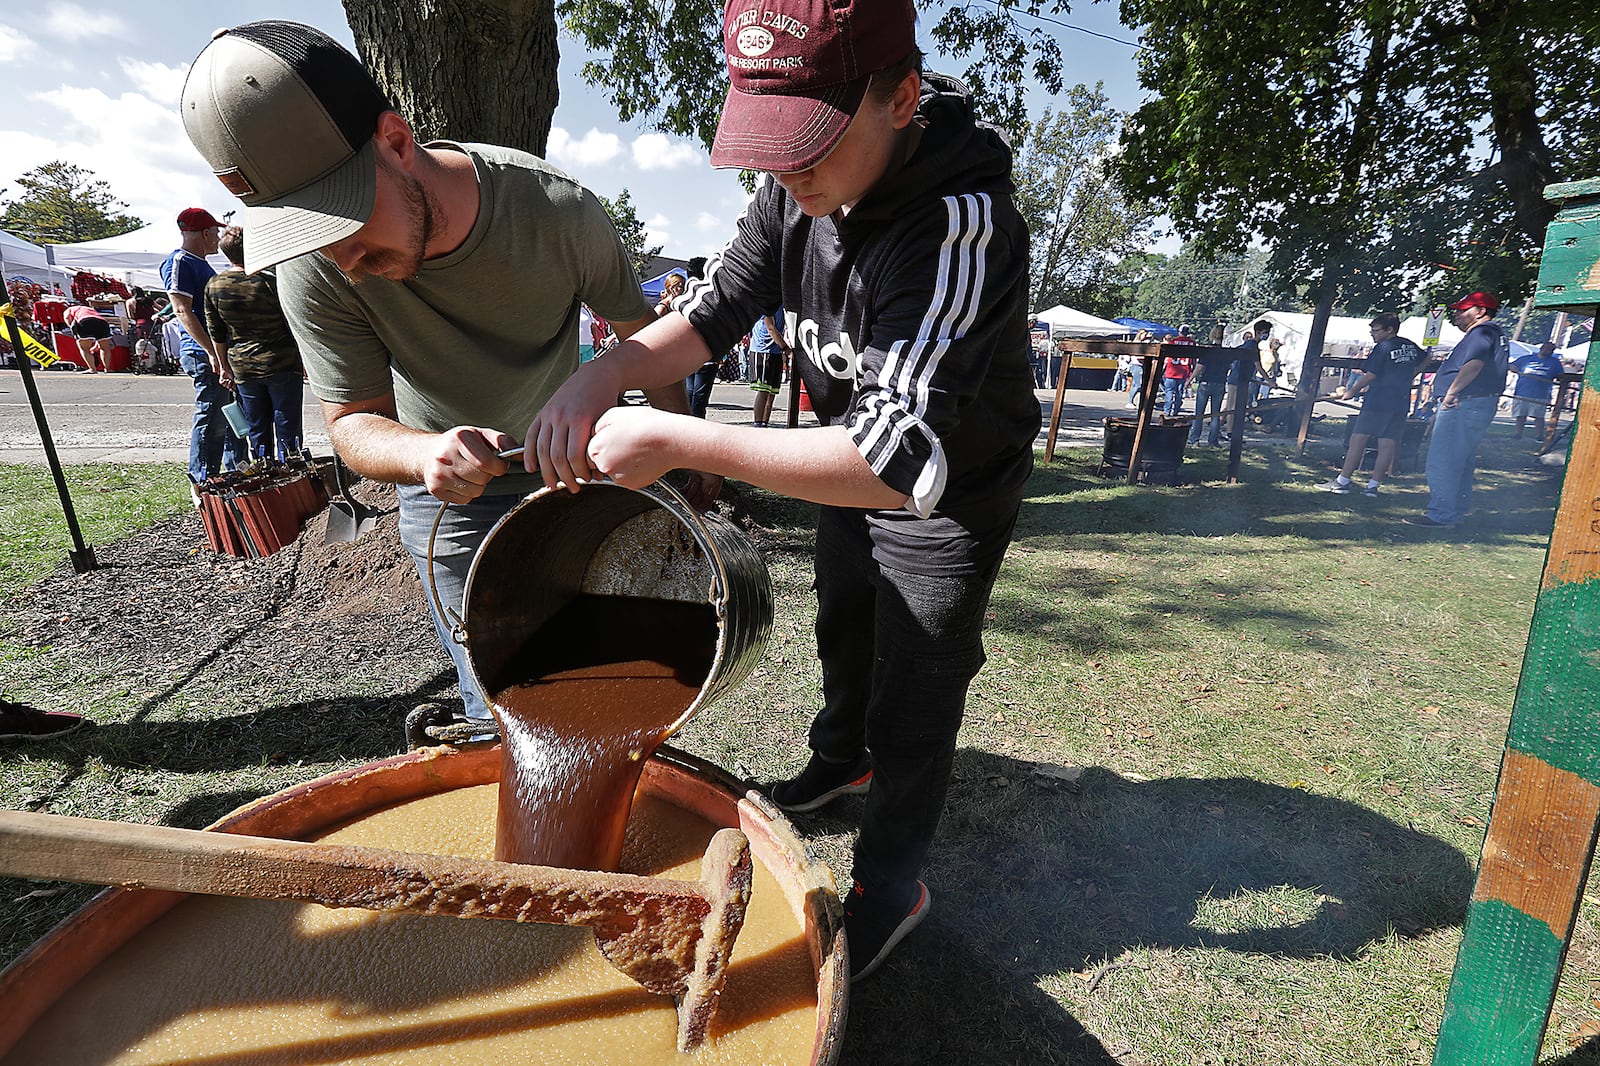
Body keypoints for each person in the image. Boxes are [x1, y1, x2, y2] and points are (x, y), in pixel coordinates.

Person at [524, 0, 1039, 981]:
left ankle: (893, 881)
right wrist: (600, 373)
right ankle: (840, 754)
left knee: (917, 684)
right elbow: (715, 311)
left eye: (807, 146)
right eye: (767, 146)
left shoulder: (959, 224)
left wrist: (674, 434)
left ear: (900, 98)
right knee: (844, 616)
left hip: (945, 488)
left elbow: (893, 459)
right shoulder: (788, 195)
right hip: (845, 452)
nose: (783, 173)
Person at [178, 20, 694, 731]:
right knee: (503, 714)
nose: (344, 262)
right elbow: (352, 423)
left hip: (584, 476)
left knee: (615, 689)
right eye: (310, 239)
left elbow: (648, 342)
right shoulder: (315, 267)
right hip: (452, 502)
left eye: (346, 221)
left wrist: (686, 466)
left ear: (396, 142)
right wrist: (426, 454)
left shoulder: (556, 211)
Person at [1403, 292, 1509, 528]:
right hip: (1475, 403)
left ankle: (1441, 515)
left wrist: (1451, 393)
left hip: (1464, 402)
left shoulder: (1482, 332)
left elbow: (1474, 363)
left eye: (1463, 310)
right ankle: (1454, 512)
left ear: (1480, 311)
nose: (1457, 314)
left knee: (1444, 459)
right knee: (1461, 460)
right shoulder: (1494, 333)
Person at [203, 226, 306, 460]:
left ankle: (264, 473)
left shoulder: (214, 286)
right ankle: (291, 478)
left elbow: (216, 333)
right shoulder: (270, 281)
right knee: (287, 428)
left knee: (256, 429)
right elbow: (293, 321)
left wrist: (223, 368)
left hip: (243, 367)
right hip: (282, 363)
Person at [162, 206, 240, 484]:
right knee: (212, 413)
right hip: (204, 353)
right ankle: (204, 478)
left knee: (231, 413)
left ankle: (236, 470)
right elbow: (182, 310)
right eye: (216, 232)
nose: (218, 238)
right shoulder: (180, 262)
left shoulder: (200, 264)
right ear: (206, 233)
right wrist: (211, 352)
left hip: (220, 351)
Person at [1314, 313, 1426, 497]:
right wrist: (1409, 375)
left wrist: (1351, 391)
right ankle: (1373, 487)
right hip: (1400, 401)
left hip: (1378, 401)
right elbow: (1426, 359)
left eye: (1376, 331)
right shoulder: (1409, 345)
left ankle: (1342, 481)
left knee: (1358, 439)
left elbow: (1371, 374)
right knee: (1387, 443)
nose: (1372, 335)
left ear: (1389, 330)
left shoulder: (1383, 347)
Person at [1187, 330, 1239, 446]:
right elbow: (1231, 366)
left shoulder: (1208, 351)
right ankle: (1213, 440)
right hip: (1220, 383)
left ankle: (1194, 439)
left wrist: (1190, 380)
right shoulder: (1227, 353)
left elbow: (1200, 367)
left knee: (1199, 414)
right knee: (1215, 414)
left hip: (1206, 382)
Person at [1508, 341, 1564, 440]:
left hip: (1541, 393)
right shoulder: (1527, 358)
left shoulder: (1555, 362)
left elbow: (1560, 375)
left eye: (1551, 350)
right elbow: (1511, 365)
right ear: (1542, 348)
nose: (1548, 351)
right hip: (1522, 391)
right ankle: (1518, 434)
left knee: (1538, 416)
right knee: (1520, 415)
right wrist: (1514, 368)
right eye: (1547, 349)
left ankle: (1539, 435)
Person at [747, 306, 789, 427]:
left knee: (772, 392)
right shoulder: (767, 303)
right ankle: (758, 423)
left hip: (776, 351)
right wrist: (786, 349)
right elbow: (770, 327)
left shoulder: (782, 305)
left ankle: (765, 422)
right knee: (763, 390)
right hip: (762, 350)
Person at [63, 303, 113, 372]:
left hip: (84, 321)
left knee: (84, 348)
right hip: (102, 322)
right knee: (105, 348)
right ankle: (107, 368)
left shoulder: (69, 309)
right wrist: (96, 345)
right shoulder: (89, 308)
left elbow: (67, 317)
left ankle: (92, 369)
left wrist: (73, 329)